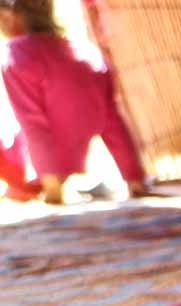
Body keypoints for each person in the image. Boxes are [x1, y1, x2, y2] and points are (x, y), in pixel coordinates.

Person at [0, 0, 147, 204]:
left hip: (40, 172)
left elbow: (33, 124)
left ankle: (23, 190)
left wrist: (53, 192)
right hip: (59, 168)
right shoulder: (88, 54)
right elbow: (113, 123)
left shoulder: (17, 55)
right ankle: (24, 190)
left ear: (11, 16)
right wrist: (134, 178)